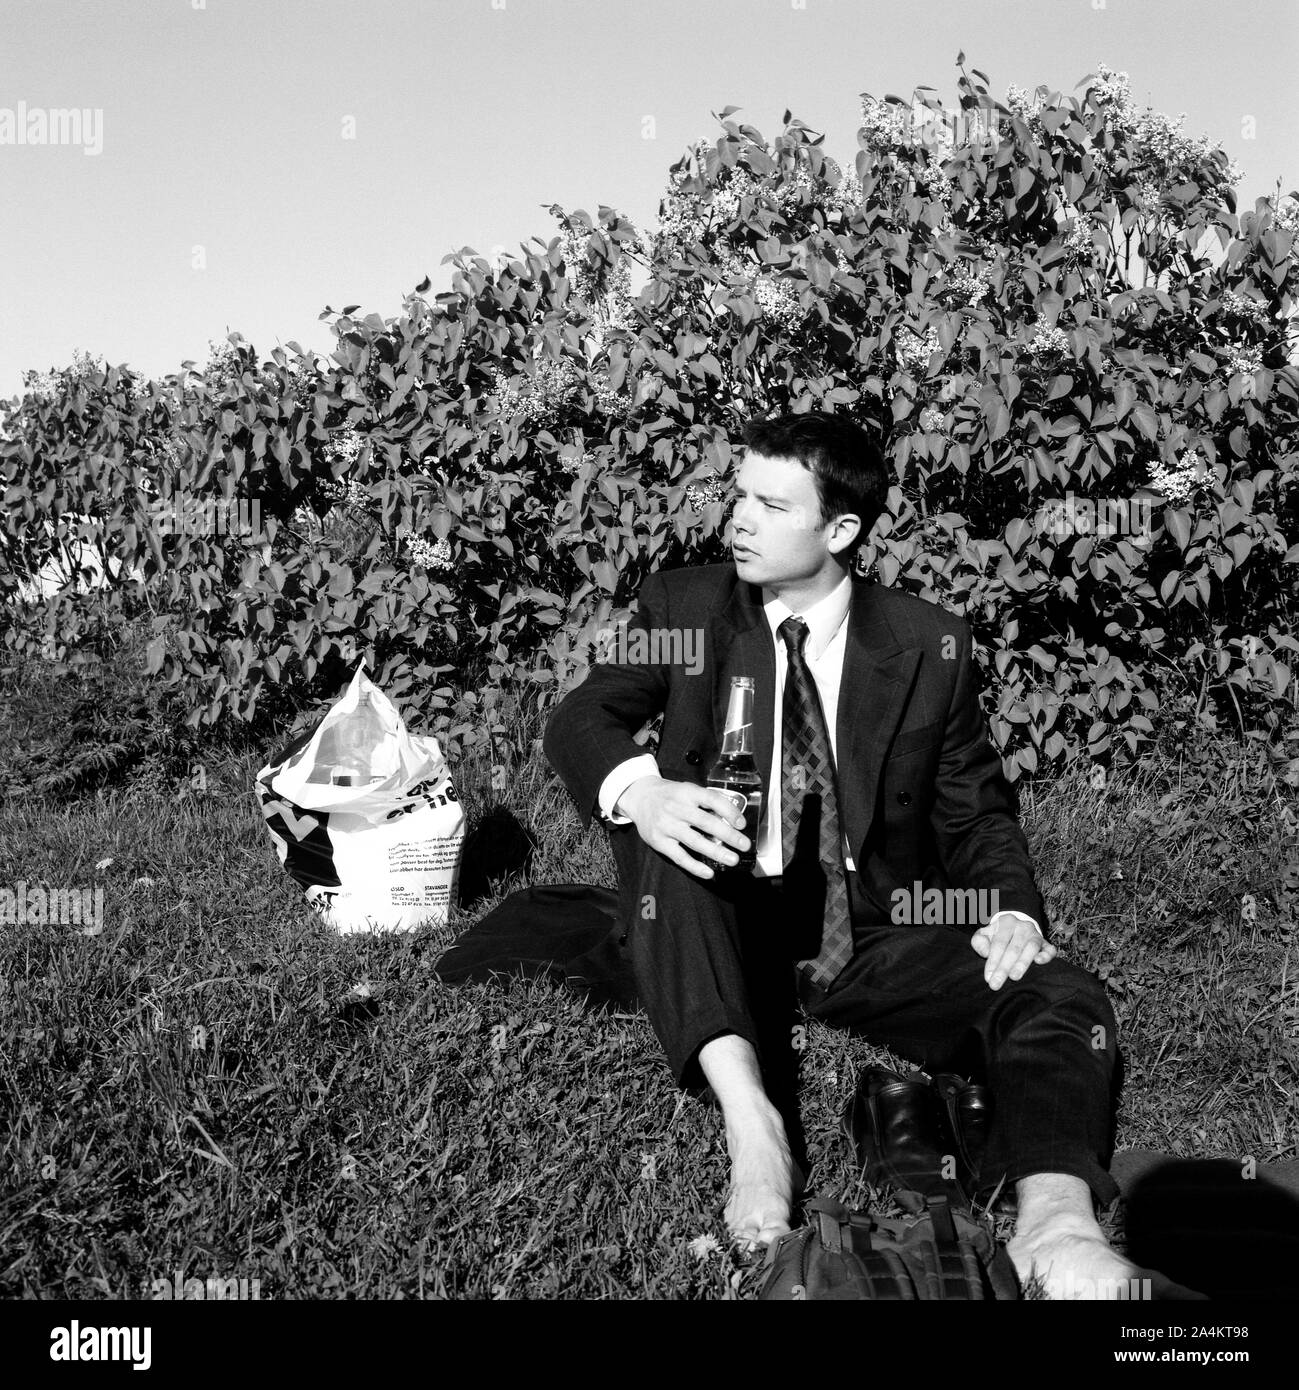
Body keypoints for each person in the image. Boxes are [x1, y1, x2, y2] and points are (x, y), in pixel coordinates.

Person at [543, 411, 1182, 1299]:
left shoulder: (927, 643)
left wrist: (1008, 907)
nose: (738, 519)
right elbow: (584, 716)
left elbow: (974, 807)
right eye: (738, 495)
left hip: (872, 926)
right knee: (666, 839)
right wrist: (643, 792)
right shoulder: (687, 611)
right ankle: (754, 1131)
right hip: (718, 911)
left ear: (839, 529)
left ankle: (1056, 1228)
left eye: (770, 504)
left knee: (1054, 984)